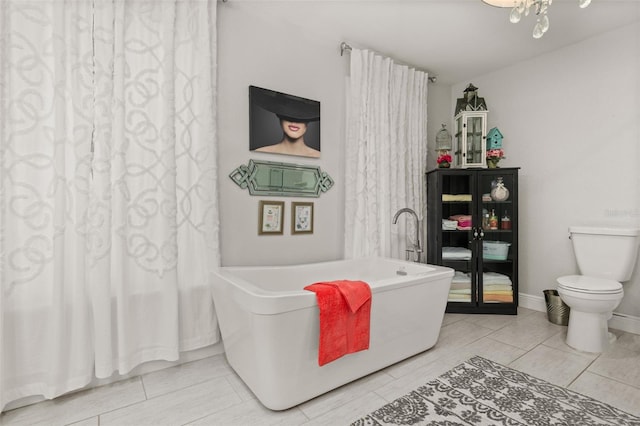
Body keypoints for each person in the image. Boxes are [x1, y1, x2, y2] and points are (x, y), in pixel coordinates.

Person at [250, 86, 321, 158]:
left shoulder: (320, 157)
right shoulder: (260, 154)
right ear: (279, 115)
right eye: (288, 114)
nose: (294, 121)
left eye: (300, 115)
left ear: (308, 120)